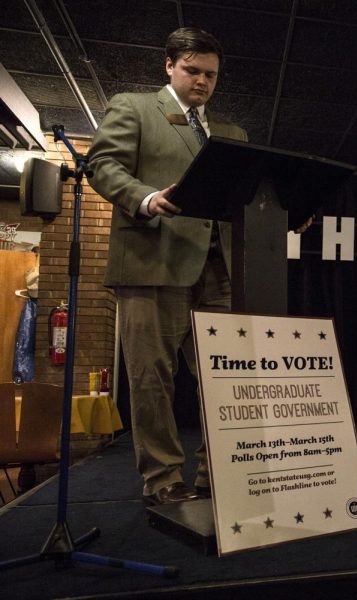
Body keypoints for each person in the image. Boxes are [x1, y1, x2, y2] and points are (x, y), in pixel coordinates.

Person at [88, 27, 248, 505]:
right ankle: (163, 480)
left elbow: (241, 197)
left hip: (218, 272)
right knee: (151, 379)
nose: (202, 81)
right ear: (169, 66)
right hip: (151, 262)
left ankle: (217, 473)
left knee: (226, 381)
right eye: (192, 70)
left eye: (211, 75)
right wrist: (145, 197)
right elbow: (103, 165)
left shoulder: (232, 135)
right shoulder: (134, 108)